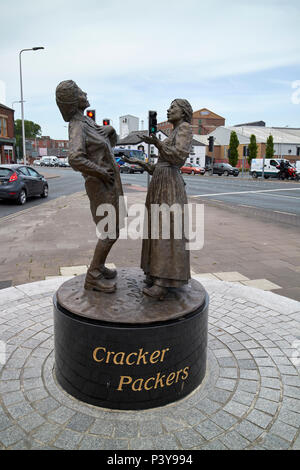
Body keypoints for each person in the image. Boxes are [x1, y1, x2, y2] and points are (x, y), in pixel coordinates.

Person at [56, 80, 124, 293]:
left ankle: (99, 267)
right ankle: (93, 275)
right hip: (99, 185)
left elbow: (108, 147)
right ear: (75, 101)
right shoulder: (77, 125)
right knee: (109, 232)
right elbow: (75, 158)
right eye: (80, 92)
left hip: (109, 184)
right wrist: (100, 172)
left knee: (112, 229)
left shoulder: (87, 123)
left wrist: (111, 130)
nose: (85, 93)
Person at [123, 99, 193, 300]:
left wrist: (157, 143)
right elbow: (160, 166)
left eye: (173, 107)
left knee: (166, 230)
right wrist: (138, 162)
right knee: (156, 228)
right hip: (160, 180)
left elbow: (178, 158)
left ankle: (164, 281)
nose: (168, 110)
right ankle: (155, 272)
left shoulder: (185, 128)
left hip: (170, 185)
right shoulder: (174, 131)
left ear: (184, 111)